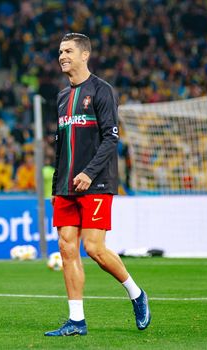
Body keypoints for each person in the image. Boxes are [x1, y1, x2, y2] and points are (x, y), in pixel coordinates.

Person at [45, 33, 150, 337]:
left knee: (93, 248)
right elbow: (59, 145)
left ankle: (136, 293)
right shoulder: (62, 97)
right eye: (60, 51)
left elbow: (111, 138)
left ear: (84, 55)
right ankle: (76, 320)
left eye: (67, 51)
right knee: (66, 248)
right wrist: (56, 187)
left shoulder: (102, 91)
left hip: (96, 183)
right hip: (66, 186)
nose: (62, 56)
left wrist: (89, 173)